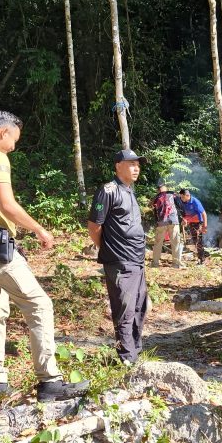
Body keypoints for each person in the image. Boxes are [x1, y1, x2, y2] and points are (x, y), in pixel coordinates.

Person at [0, 110, 89, 402]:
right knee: (40, 304)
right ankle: (49, 381)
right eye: (14, 139)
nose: (14, 146)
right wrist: (40, 229)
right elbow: (7, 204)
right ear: (2, 132)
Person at [88, 149, 149, 365]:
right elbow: (94, 226)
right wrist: (107, 248)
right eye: (131, 164)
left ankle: (135, 353)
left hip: (137, 260)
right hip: (120, 261)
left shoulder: (129, 191)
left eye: (138, 165)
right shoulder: (108, 191)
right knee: (125, 310)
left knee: (139, 308)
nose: (136, 168)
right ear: (118, 166)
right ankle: (126, 359)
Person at [150, 184, 184, 268]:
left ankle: (155, 263)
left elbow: (154, 211)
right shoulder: (173, 195)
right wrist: (182, 218)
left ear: (158, 190)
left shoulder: (156, 198)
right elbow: (180, 206)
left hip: (161, 222)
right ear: (166, 189)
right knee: (175, 242)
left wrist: (157, 222)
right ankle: (176, 264)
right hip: (173, 221)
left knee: (158, 243)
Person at [176, 188, 208, 264]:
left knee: (198, 241)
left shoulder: (195, 202)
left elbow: (204, 214)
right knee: (195, 240)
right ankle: (202, 255)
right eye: (180, 197)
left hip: (198, 222)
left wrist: (204, 226)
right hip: (191, 222)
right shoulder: (182, 201)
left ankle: (202, 259)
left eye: (182, 197)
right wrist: (184, 220)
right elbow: (183, 213)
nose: (181, 198)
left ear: (187, 195)